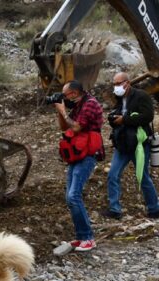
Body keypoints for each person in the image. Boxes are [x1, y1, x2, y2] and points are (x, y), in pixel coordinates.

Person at [53, 80, 104, 252]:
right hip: (77, 154)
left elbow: (75, 127)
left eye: (65, 95)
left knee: (74, 195)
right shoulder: (78, 105)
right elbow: (63, 126)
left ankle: (88, 238)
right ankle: (81, 236)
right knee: (69, 197)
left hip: (88, 154)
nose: (65, 98)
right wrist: (61, 113)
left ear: (74, 93)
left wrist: (63, 112)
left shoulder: (90, 104)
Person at [104, 71, 159, 220]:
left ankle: (154, 209)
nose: (116, 87)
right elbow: (117, 115)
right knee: (112, 175)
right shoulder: (118, 98)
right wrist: (114, 119)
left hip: (139, 144)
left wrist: (125, 120)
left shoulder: (141, 96)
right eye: (114, 84)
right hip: (122, 143)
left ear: (127, 83)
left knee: (142, 177)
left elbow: (148, 116)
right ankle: (114, 209)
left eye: (118, 84)